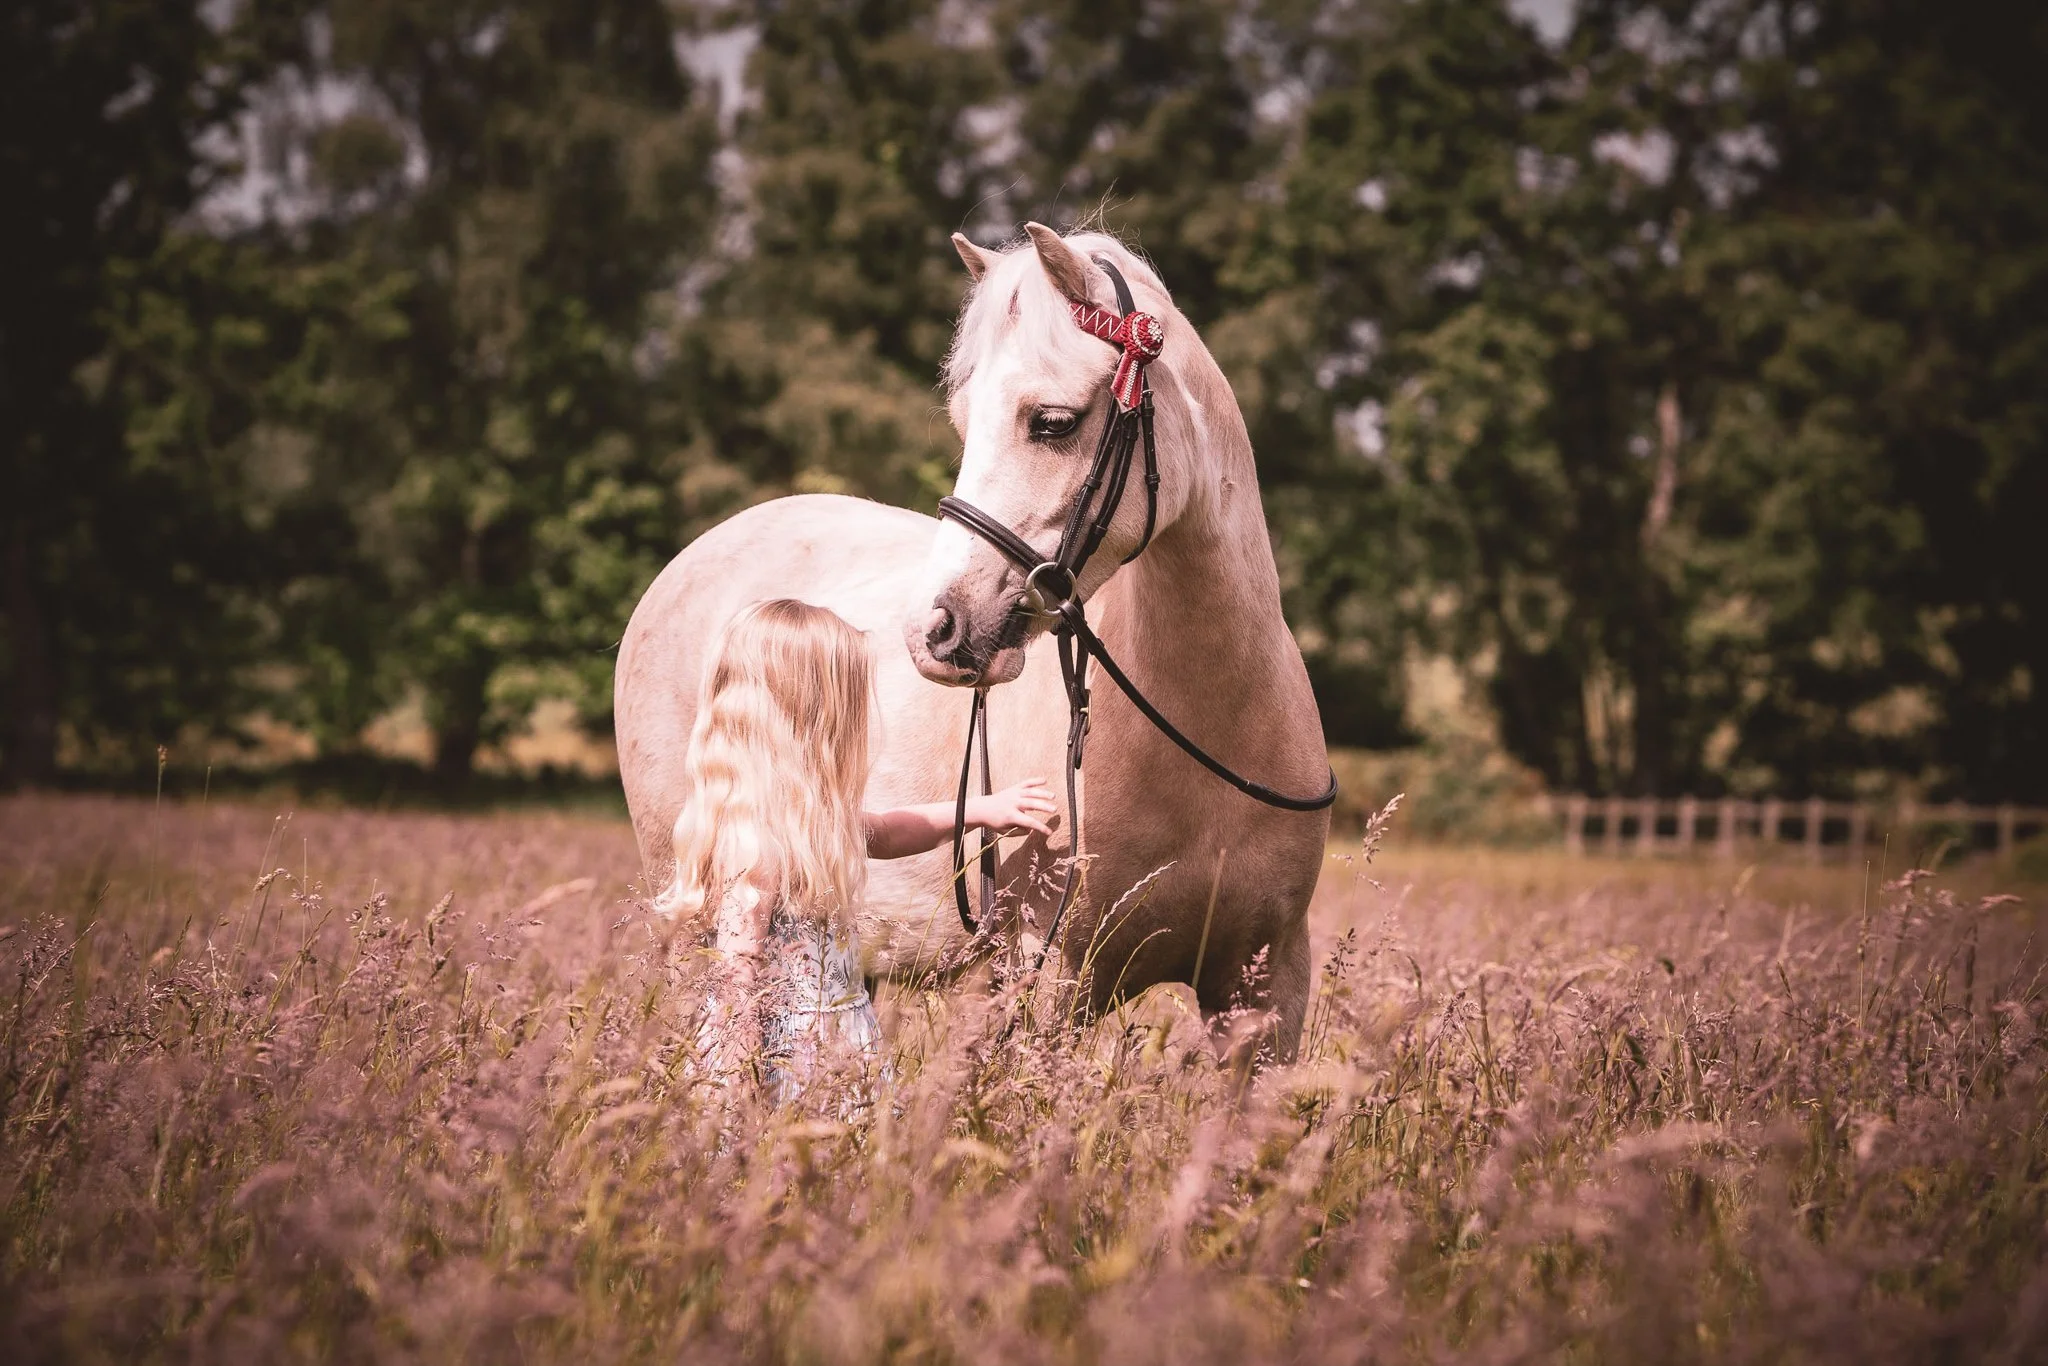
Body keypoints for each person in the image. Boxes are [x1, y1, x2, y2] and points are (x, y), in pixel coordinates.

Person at [657, 598, 1055, 1102]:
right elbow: (740, 975)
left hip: (840, 1037)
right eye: (846, 699)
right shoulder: (754, 843)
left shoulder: (806, 817)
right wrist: (738, 1086)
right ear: (811, 716)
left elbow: (887, 832)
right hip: (789, 1054)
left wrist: (979, 810)